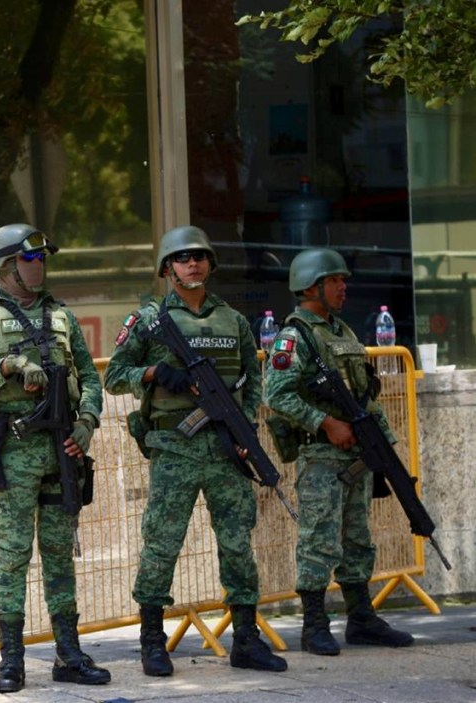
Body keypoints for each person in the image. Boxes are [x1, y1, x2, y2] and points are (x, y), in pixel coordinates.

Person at [104, 225, 287, 676]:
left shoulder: (234, 321)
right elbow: (114, 377)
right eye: (182, 258)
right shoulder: (149, 320)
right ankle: (151, 639)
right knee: (162, 545)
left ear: (210, 265)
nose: (193, 264)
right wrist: (152, 374)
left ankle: (246, 638)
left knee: (237, 545)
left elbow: (253, 378)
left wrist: (245, 432)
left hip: (226, 449)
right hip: (174, 447)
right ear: (167, 268)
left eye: (200, 257)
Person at [0, 223, 110, 693]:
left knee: (60, 554)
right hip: (15, 449)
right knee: (13, 555)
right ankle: (11, 660)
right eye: (29, 260)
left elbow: (91, 376)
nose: (39, 267)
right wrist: (7, 366)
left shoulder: (61, 315)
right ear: (5, 267)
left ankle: (69, 653)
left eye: (41, 260)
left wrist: (87, 423)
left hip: (62, 446)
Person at [263, 248, 413, 656]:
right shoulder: (294, 337)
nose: (343, 287)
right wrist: (325, 423)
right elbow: (275, 395)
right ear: (312, 286)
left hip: (358, 455)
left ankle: (361, 617)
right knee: (319, 540)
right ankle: (314, 625)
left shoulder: (342, 332)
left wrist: (387, 447)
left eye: (343, 280)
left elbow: (367, 396)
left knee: (358, 538)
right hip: (322, 457)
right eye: (335, 281)